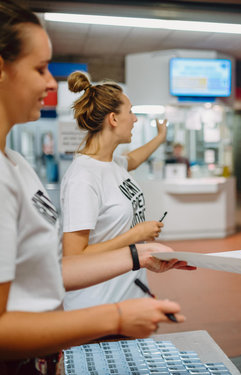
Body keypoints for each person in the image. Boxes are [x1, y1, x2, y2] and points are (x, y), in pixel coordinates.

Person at [0, 1, 191, 372]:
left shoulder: (15, 165)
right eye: (40, 68)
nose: (52, 83)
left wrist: (139, 255)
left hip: (44, 350)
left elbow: (49, 268)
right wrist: (113, 318)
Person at [61, 71, 171, 310]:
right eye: (130, 112)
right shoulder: (83, 178)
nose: (135, 119)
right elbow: (73, 258)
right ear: (113, 118)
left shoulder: (113, 164)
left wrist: (160, 137)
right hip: (98, 306)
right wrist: (137, 235)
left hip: (129, 293)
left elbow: (134, 159)